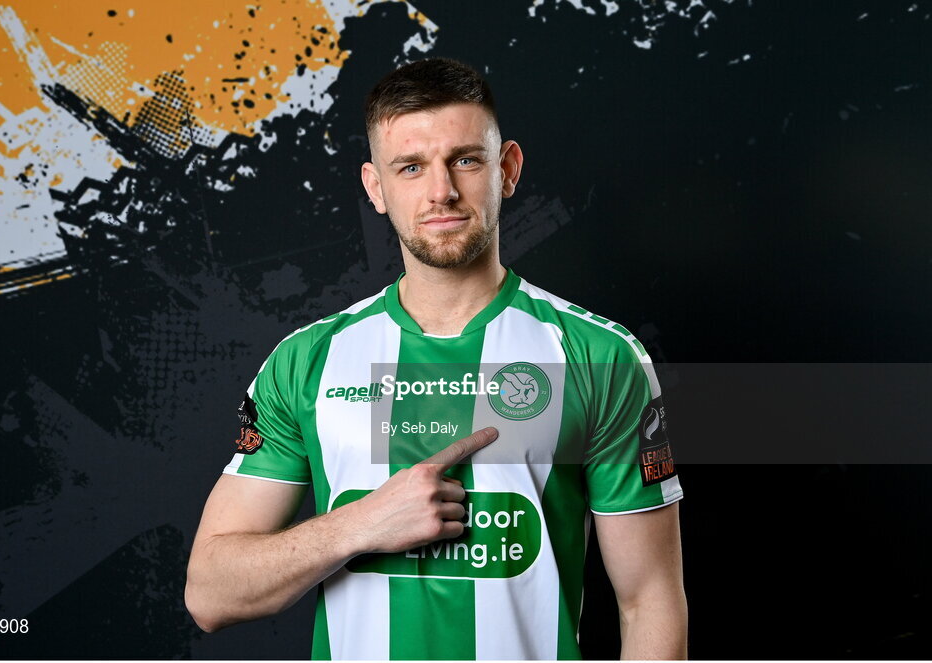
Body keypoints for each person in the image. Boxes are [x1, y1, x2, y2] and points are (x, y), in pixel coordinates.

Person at [185, 57, 686, 660]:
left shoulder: (598, 356)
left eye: (466, 160)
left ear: (508, 169)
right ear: (376, 188)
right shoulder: (308, 361)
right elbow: (210, 593)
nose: (441, 191)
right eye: (411, 167)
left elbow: (649, 598)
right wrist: (364, 525)